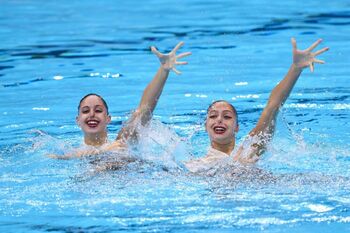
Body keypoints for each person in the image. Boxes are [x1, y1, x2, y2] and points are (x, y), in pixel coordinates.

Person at [185, 38, 329, 174]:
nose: (219, 120)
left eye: (227, 116)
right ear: (205, 126)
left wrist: (295, 68)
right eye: (213, 116)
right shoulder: (194, 166)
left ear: (236, 127)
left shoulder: (251, 149)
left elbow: (271, 108)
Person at [51, 42, 191, 159]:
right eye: (86, 111)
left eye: (98, 110)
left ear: (108, 119)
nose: (92, 114)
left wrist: (163, 70)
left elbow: (144, 109)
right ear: (77, 120)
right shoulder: (69, 152)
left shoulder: (123, 142)